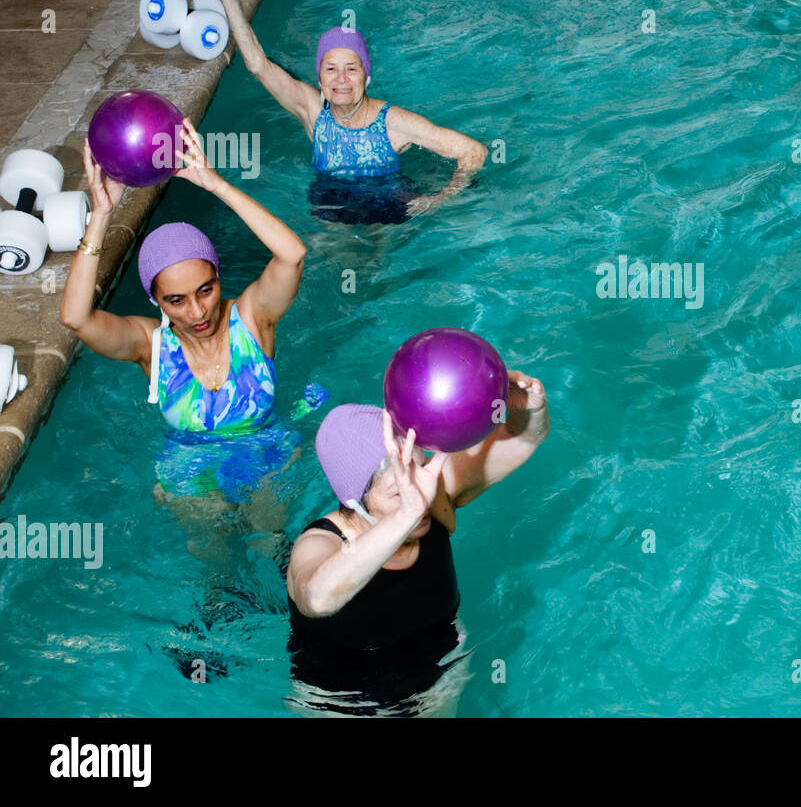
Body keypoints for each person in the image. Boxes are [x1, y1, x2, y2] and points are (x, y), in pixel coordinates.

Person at [60, 119, 307, 503]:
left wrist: (217, 184)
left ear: (219, 279)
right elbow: (76, 318)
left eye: (206, 290)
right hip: (192, 469)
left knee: (272, 542)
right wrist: (101, 216)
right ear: (155, 301)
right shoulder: (150, 345)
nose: (197, 312)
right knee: (210, 547)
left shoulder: (254, 319)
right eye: (176, 300)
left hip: (265, 455)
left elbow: (293, 255)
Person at [285, 371, 549, 716]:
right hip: (341, 703)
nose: (420, 498)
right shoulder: (317, 544)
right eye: (399, 492)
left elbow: (522, 437)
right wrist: (402, 517)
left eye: (420, 470)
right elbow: (317, 598)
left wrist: (529, 407)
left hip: (438, 677)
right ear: (355, 503)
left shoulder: (431, 496)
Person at [183, 0, 489, 225]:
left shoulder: (394, 122)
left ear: (366, 78)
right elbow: (258, 66)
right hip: (331, 209)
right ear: (320, 79)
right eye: (331, 69)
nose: (341, 79)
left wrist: (439, 199)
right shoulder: (312, 110)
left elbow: (473, 152)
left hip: (389, 214)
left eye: (351, 69)